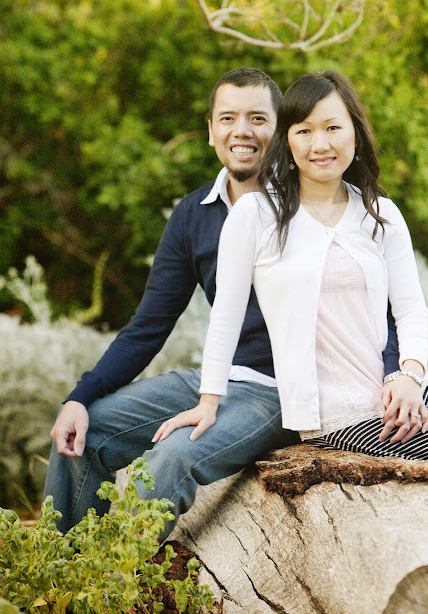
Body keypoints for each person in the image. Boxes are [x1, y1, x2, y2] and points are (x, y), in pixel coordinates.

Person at [44, 67, 407, 541]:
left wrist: (396, 371)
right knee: (84, 433)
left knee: (170, 461)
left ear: (284, 131)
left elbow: (380, 307)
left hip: (284, 390)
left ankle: (121, 590)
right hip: (220, 380)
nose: (243, 131)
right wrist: (81, 396)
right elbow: (150, 324)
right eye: (228, 118)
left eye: (259, 117)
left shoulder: (316, 203)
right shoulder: (195, 215)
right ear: (211, 131)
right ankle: (66, 579)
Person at [154, 70, 428, 474]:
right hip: (341, 414)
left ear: (355, 132)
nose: (320, 144)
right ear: (287, 139)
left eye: (333, 127)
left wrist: (408, 376)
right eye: (304, 131)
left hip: (402, 387)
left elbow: (411, 311)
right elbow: (225, 317)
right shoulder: (256, 214)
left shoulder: (380, 213)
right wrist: (208, 402)